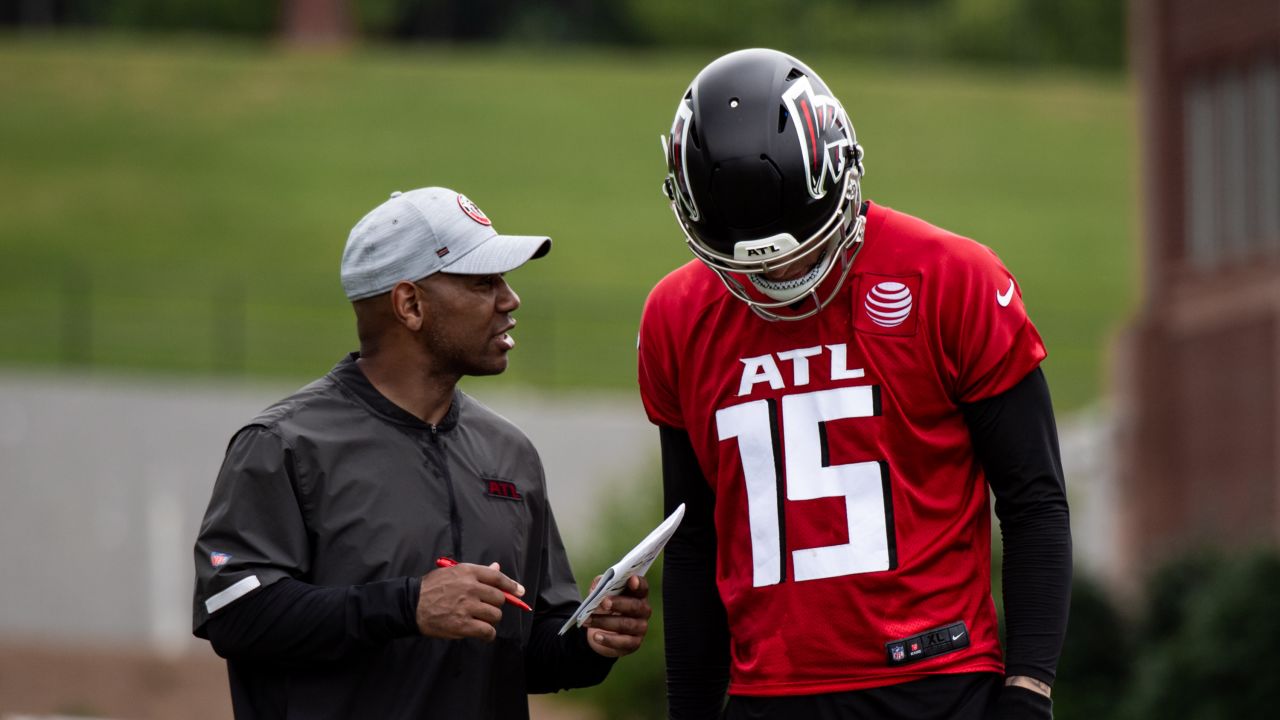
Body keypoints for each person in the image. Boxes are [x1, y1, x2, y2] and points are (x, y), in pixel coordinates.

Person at [638, 49, 1072, 719]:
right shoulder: (677, 314)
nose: (781, 280)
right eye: (754, 265)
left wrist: (1029, 688)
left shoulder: (950, 277)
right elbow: (692, 539)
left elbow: (1034, 500)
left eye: (801, 249)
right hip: (768, 698)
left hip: (938, 684)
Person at [193, 186, 651, 719]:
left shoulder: (510, 453)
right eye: (483, 282)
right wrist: (408, 605)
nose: (510, 299)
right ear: (410, 304)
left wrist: (589, 641)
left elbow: (525, 653)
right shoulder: (283, 444)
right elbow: (234, 612)